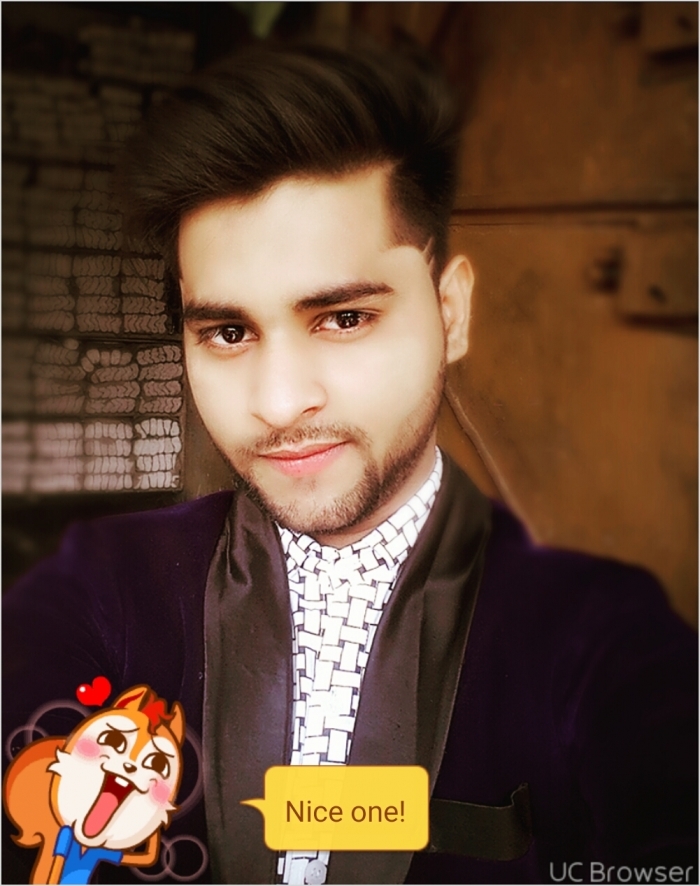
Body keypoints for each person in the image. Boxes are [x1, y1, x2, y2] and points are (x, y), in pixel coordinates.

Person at [3, 44, 696, 885]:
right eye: (228, 332)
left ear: (450, 313)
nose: (278, 401)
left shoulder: (597, 639)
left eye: (343, 319)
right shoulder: (102, 586)